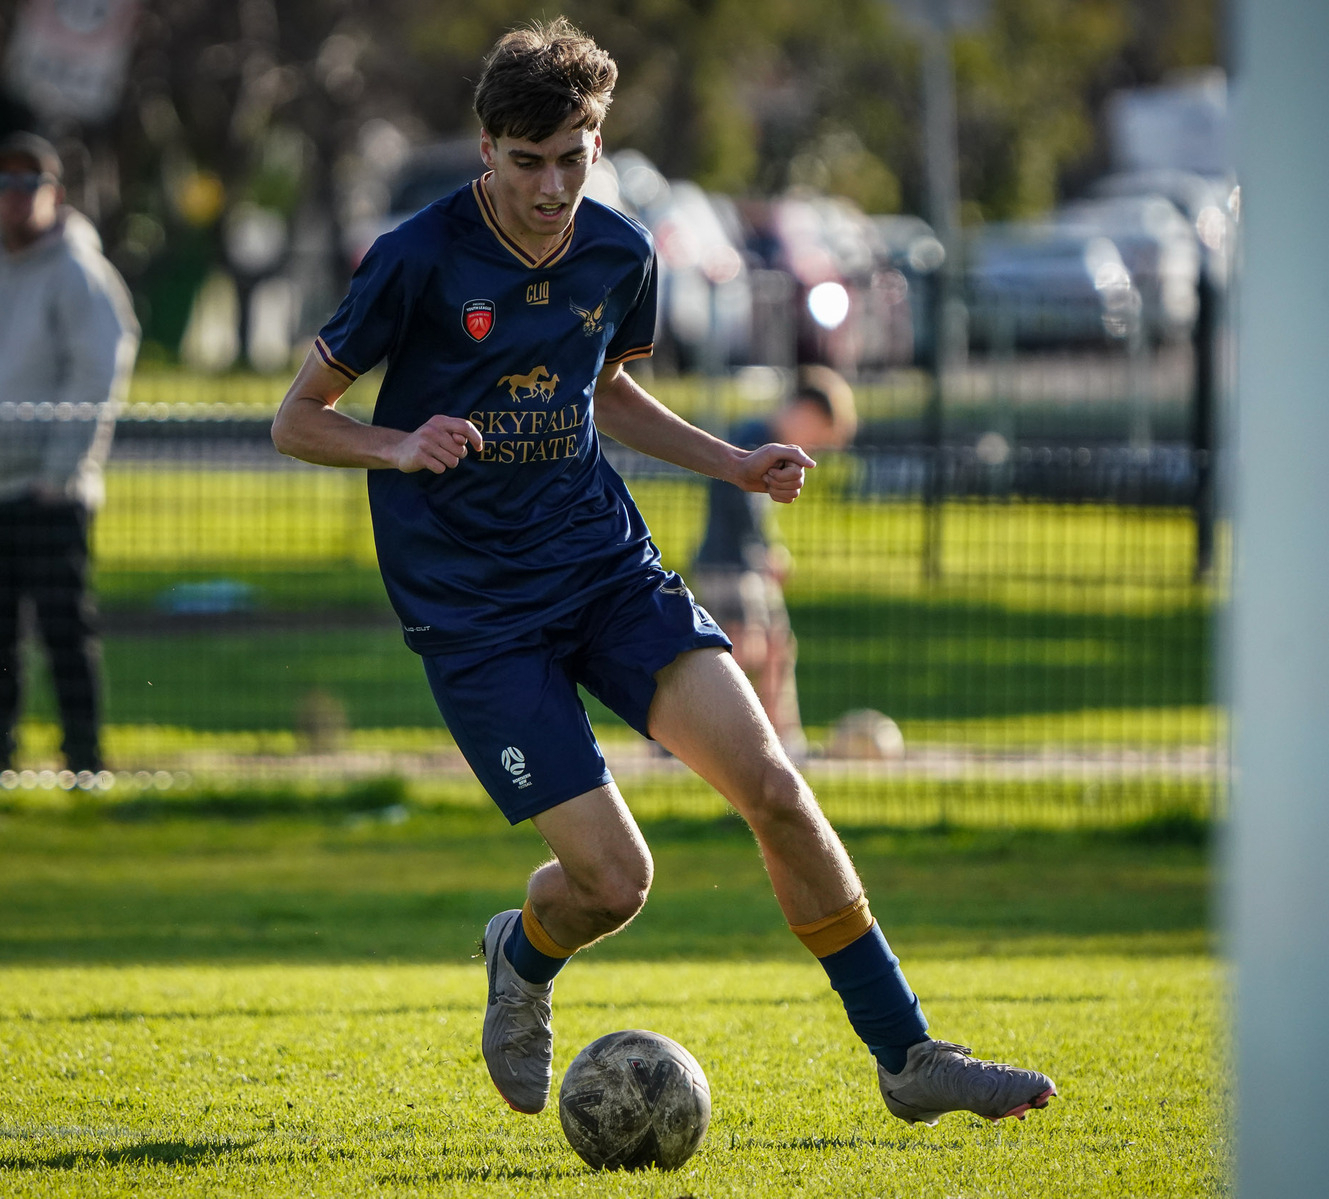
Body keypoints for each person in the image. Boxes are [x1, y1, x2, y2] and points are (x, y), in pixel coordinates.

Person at [272, 20, 1055, 1126]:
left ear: (598, 141)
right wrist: (398, 444)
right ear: (486, 147)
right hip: (476, 614)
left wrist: (733, 462)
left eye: (574, 155)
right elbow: (296, 419)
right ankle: (522, 947)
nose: (552, 187)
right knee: (614, 882)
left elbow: (603, 392)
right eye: (527, 160)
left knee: (776, 789)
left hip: (603, 567)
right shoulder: (415, 256)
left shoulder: (619, 249)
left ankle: (906, 1052)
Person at [0, 133, 138, 775]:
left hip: (47, 494)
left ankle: (85, 765)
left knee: (65, 633)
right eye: (1, 185)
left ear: (54, 194)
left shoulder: (79, 274)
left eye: (27, 184)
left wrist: (60, 471)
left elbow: (98, 374)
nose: (13, 199)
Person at [694, 366, 857, 757]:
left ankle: (776, 741)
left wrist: (765, 549)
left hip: (737, 565)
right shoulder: (756, 440)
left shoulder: (758, 437)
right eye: (816, 436)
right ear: (806, 413)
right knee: (750, 653)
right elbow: (737, 504)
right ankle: (757, 742)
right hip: (731, 567)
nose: (812, 448)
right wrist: (763, 554)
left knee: (766, 650)